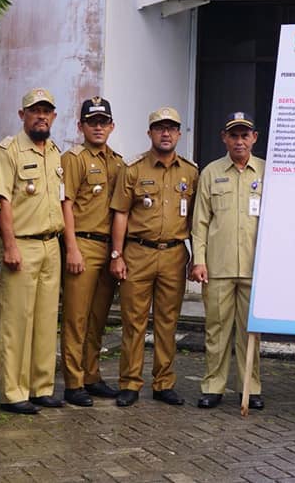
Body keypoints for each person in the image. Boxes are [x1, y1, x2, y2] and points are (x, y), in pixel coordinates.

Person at [110, 107, 198, 407]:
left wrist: (196, 258)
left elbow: (198, 220)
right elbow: (121, 213)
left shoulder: (190, 171)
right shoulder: (133, 168)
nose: (165, 133)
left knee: (167, 322)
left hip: (174, 254)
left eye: (171, 128)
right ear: (150, 133)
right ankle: (130, 383)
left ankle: (164, 383)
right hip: (138, 253)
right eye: (159, 128)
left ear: (178, 133)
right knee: (133, 321)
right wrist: (117, 255)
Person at [0, 88, 65, 415]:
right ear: (22, 115)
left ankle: (41, 386)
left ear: (53, 116)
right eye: (35, 111)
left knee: (46, 319)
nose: (41, 116)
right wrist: (8, 245)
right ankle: (13, 391)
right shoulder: (8, 150)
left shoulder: (54, 151)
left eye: (46, 111)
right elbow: (1, 200)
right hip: (21, 243)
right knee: (15, 321)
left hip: (51, 245)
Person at [190, 112, 265, 410]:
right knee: (216, 330)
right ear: (224, 137)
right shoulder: (210, 172)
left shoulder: (266, 172)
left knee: (251, 332)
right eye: (233, 135)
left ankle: (251, 387)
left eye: (244, 135)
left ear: (254, 138)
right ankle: (213, 386)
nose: (239, 141)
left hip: (253, 268)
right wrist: (199, 261)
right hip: (218, 267)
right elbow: (200, 223)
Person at [59, 96, 124, 407]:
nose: (98, 127)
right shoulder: (74, 158)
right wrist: (71, 247)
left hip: (109, 247)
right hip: (82, 244)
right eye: (91, 122)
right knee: (76, 318)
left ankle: (92, 375)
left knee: (98, 317)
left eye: (103, 122)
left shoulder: (119, 162)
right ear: (81, 125)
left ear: (111, 126)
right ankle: (73, 382)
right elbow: (66, 204)